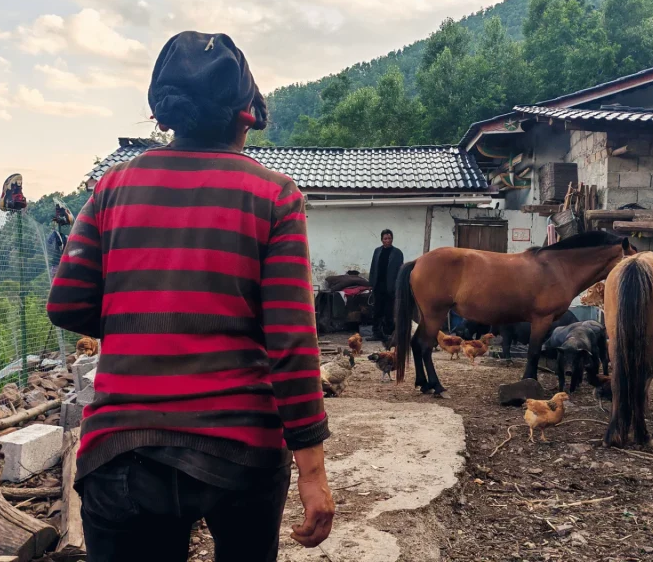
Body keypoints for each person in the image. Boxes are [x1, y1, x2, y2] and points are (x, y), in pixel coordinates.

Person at [47, 31, 334, 562]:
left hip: (122, 449)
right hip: (242, 452)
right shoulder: (275, 196)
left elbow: (66, 303)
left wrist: (142, 316)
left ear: (163, 116)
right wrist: (311, 474)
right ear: (246, 115)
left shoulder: (112, 188)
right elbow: (291, 341)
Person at [368, 229, 404, 341]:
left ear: (392, 239)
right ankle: (376, 333)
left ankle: (389, 334)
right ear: (381, 240)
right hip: (378, 286)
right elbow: (373, 267)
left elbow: (400, 270)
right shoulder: (377, 251)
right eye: (385, 239)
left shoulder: (397, 253)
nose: (387, 240)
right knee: (377, 311)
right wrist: (371, 284)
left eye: (389, 238)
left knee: (389, 311)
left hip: (391, 287)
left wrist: (398, 286)